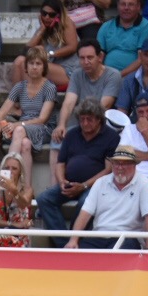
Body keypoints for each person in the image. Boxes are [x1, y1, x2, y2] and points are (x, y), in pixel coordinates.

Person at [37, 102, 118, 243]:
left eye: (89, 119)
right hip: (69, 182)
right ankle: (64, 244)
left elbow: (108, 170)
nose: (85, 123)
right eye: (82, 119)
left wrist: (84, 185)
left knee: (85, 203)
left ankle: (74, 240)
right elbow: (60, 163)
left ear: (99, 119)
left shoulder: (111, 136)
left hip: (95, 186)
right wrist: (62, 181)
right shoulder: (72, 134)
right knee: (44, 198)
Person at [67, 145, 148, 248]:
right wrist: (73, 240)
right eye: (116, 163)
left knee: (124, 249)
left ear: (134, 165)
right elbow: (85, 213)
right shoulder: (100, 182)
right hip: (98, 236)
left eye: (125, 163)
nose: (120, 167)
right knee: (79, 253)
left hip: (127, 238)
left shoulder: (144, 184)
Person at [0, 46, 57, 163]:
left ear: (44, 67)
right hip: (23, 128)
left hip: (43, 128)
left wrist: (18, 124)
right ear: (26, 66)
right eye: (31, 63)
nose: (34, 67)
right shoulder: (20, 86)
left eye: (38, 64)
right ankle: (26, 182)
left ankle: (8, 173)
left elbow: (42, 119)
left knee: (18, 130)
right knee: (25, 144)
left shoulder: (49, 88)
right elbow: (1, 113)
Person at [53, 42, 121, 141]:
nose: (86, 62)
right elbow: (68, 103)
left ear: (100, 57)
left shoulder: (113, 75)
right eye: (82, 58)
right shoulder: (77, 74)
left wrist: (84, 126)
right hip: (82, 118)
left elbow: (103, 106)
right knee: (57, 136)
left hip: (101, 121)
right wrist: (61, 125)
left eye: (90, 57)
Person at [9, 0, 78, 91]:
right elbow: (26, 51)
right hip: (51, 67)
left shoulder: (66, 23)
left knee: (27, 63)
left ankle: (30, 100)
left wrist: (50, 54)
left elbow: (73, 47)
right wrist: (42, 29)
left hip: (68, 71)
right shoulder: (44, 28)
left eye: (51, 15)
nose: (47, 17)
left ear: (59, 15)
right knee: (19, 61)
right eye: (44, 13)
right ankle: (16, 101)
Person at [98, 0, 148, 75]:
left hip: (133, 77)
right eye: (123, 4)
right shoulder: (106, 27)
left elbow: (141, 60)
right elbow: (98, 57)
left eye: (131, 4)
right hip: (106, 76)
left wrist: (119, 75)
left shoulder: (147, 28)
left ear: (138, 7)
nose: (126, 8)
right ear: (118, 5)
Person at [0, 152, 34, 245]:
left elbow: (23, 204)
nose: (10, 171)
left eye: (14, 169)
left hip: (19, 234)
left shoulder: (27, 190)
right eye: (7, 168)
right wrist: (11, 224)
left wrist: (14, 190)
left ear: (20, 171)